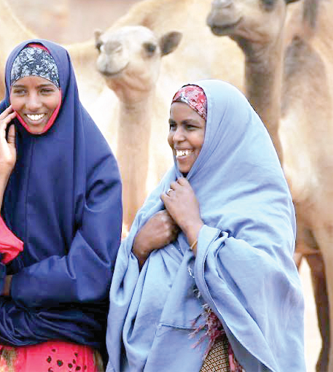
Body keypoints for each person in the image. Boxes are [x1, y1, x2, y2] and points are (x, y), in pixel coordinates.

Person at [0, 39, 123, 372]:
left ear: (65, 89)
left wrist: (1, 284)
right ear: (6, 91)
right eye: (20, 91)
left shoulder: (96, 166)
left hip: (63, 324)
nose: (32, 104)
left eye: (45, 90)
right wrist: (0, 173)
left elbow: (91, 270)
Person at [106, 80, 305, 372]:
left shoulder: (260, 202)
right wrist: (138, 248)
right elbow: (126, 277)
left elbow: (268, 285)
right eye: (172, 126)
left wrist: (195, 228)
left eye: (190, 127)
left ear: (221, 134)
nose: (177, 138)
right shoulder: (167, 193)